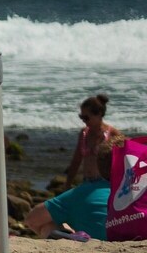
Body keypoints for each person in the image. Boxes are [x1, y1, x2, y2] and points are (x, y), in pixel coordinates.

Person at [25, 94, 123, 241]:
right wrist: (67, 184)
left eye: (87, 117)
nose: (84, 121)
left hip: (103, 183)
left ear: (99, 115)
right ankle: (74, 234)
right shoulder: (84, 134)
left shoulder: (112, 134)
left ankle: (72, 234)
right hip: (87, 182)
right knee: (79, 213)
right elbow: (76, 161)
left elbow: (126, 155)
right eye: (81, 117)